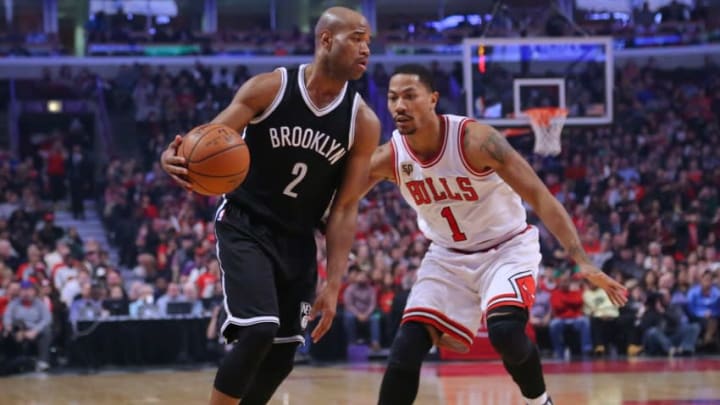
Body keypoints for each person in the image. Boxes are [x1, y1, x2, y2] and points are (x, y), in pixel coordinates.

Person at [364, 64, 628, 405]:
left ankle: (539, 400)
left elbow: (540, 197)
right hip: (446, 255)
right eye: (393, 98)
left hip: (506, 247)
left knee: (505, 332)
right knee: (405, 348)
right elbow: (339, 202)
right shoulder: (389, 157)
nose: (399, 105)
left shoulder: (477, 141)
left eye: (409, 96)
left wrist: (582, 261)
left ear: (432, 99)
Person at [160, 7, 379, 405]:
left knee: (281, 357)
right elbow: (206, 140)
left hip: (298, 240)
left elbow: (346, 208)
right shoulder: (268, 88)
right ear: (326, 40)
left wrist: (333, 282)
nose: (366, 49)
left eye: (369, 42)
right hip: (246, 223)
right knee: (259, 329)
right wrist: (171, 156)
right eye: (358, 38)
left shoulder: (362, 122)